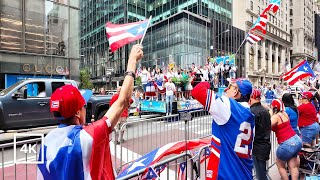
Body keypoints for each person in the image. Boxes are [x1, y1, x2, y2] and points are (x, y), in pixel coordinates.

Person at [37, 44, 143, 179]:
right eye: (83, 106)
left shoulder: (47, 140)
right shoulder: (86, 137)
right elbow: (123, 101)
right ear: (77, 113)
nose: (85, 109)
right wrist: (132, 60)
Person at [191, 79, 255, 179]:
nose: (226, 90)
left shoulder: (229, 105)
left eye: (229, 87)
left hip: (226, 173)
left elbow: (198, 91)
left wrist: (208, 82)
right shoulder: (248, 113)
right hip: (244, 173)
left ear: (235, 91)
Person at [269, 99, 302, 180]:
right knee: (293, 166)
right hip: (296, 140)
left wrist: (270, 115)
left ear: (274, 108)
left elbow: (267, 126)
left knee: (280, 164)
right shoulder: (284, 113)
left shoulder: (276, 117)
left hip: (287, 142)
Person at [249, 89, 271, 180]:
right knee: (262, 172)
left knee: (261, 175)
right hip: (265, 145)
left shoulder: (252, 111)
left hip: (257, 147)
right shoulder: (265, 110)